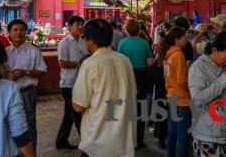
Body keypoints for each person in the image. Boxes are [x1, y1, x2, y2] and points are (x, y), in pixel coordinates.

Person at [72, 19, 136, 157]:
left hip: (97, 141)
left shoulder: (90, 64)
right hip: (123, 139)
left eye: (84, 37)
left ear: (90, 40)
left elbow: (78, 106)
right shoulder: (124, 60)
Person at [188, 32, 226, 156]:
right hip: (207, 136)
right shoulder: (198, 67)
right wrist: (223, 81)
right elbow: (197, 100)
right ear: (215, 50)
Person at [6, 18, 47, 153]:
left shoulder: (34, 51)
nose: (18, 33)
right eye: (15, 30)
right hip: (7, 94)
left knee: (29, 124)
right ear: (9, 33)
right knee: (8, 124)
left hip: (27, 92)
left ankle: (31, 153)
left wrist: (26, 72)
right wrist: (6, 76)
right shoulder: (4, 52)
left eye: (22, 30)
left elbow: (42, 71)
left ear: (26, 32)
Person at [117, 18, 154, 150]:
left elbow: (119, 62)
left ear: (126, 30)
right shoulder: (144, 43)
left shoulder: (122, 43)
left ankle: (127, 138)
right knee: (141, 106)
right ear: (138, 29)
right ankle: (139, 140)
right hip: (141, 76)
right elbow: (150, 62)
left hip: (126, 76)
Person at [158, 27, 191, 157]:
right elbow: (182, 79)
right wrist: (193, 88)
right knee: (183, 137)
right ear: (177, 40)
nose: (186, 39)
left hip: (171, 96)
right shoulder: (178, 54)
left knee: (172, 133)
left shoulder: (168, 53)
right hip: (182, 98)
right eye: (184, 37)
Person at [55, 16, 85, 150]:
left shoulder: (83, 42)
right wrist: (80, 64)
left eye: (81, 24)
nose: (80, 27)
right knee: (76, 113)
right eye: (77, 24)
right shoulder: (65, 42)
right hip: (68, 84)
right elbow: (62, 63)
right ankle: (87, 141)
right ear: (70, 27)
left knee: (69, 114)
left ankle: (61, 141)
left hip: (80, 82)